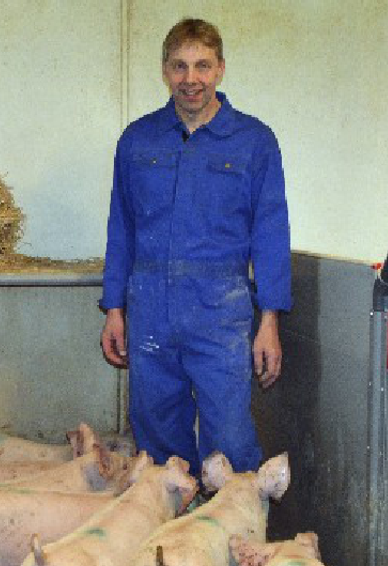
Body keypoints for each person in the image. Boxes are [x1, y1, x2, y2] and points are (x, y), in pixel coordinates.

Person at [99, 18, 291, 476]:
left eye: (202, 66)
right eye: (180, 67)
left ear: (220, 69)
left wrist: (270, 322)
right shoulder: (138, 140)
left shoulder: (253, 142)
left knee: (228, 436)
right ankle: (171, 537)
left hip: (220, 312)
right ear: (165, 71)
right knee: (157, 434)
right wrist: (113, 310)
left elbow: (270, 232)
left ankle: (235, 539)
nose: (192, 79)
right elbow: (120, 228)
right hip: (149, 309)